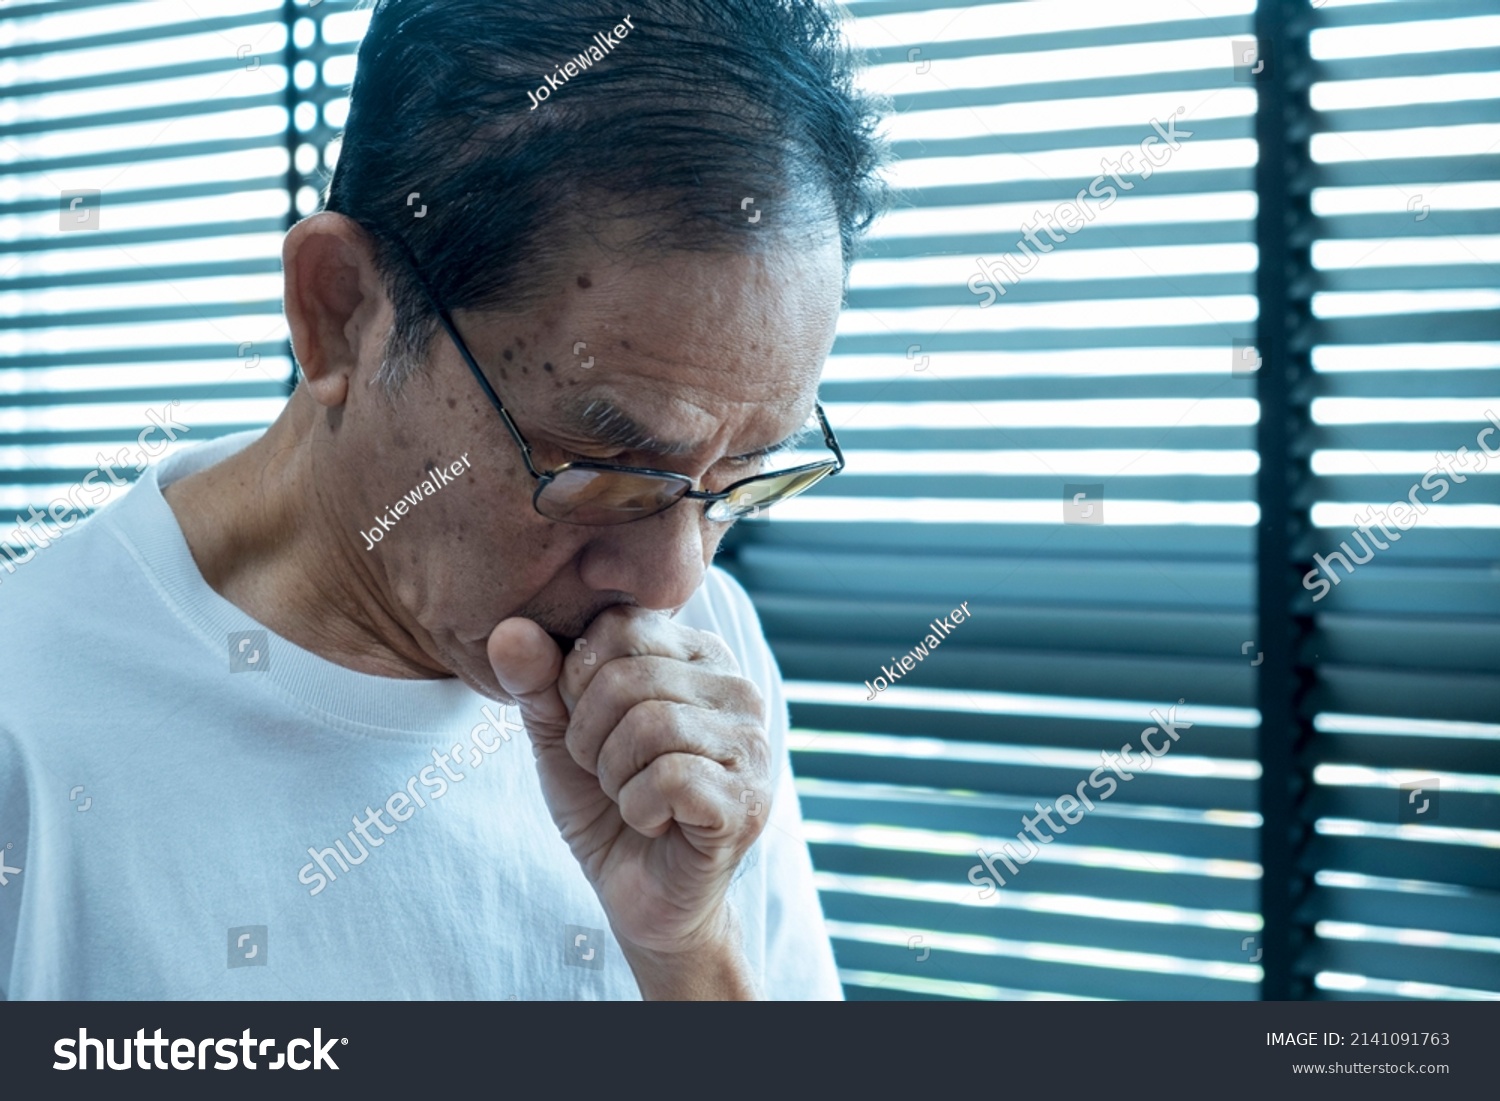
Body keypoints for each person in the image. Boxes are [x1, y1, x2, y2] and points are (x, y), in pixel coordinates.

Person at [0, 0, 888, 1000]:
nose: (676, 582)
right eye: (601, 465)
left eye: (741, 480)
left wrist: (687, 951)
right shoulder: (27, 732)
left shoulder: (701, 683)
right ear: (340, 313)